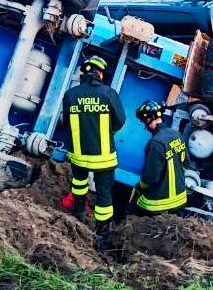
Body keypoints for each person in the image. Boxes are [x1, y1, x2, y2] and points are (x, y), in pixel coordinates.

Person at [62, 55, 126, 249]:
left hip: (78, 156)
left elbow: (66, 123)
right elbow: (120, 121)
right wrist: (106, 131)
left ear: (85, 72)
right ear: (100, 73)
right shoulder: (108, 94)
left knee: (79, 185)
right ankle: (102, 235)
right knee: (104, 195)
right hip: (104, 158)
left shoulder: (71, 95)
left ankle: (78, 217)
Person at [131, 100, 188, 215]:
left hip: (159, 203)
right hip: (181, 199)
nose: (145, 126)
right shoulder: (177, 135)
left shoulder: (156, 143)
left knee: (131, 209)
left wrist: (140, 186)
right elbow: (185, 162)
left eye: (144, 122)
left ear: (149, 119)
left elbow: (151, 178)